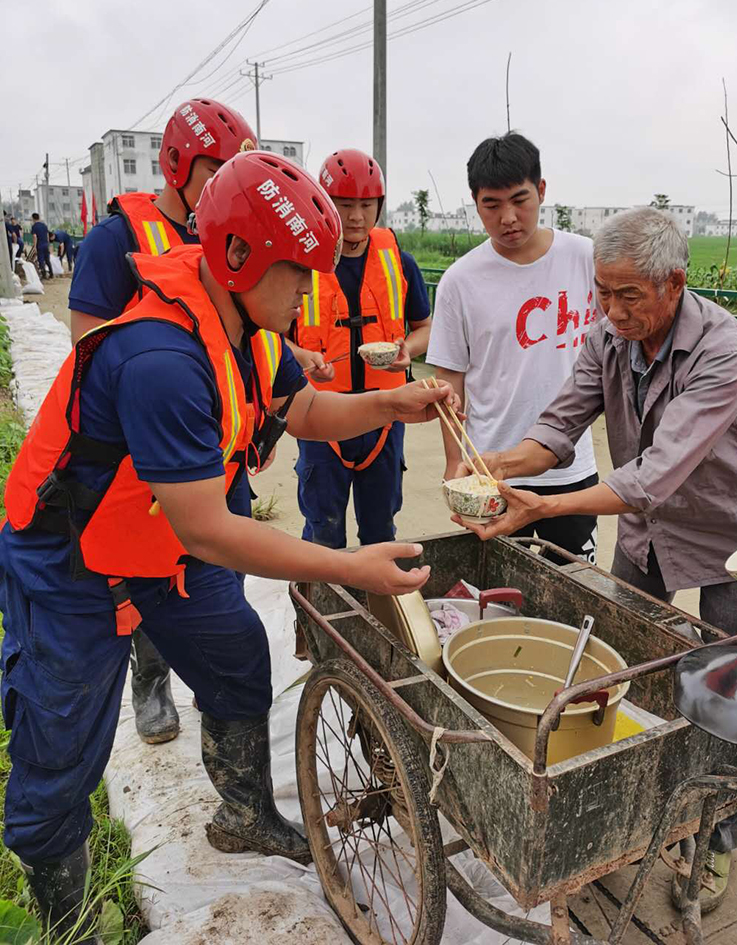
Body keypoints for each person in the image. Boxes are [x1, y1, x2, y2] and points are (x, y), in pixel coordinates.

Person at [0, 151, 455, 941]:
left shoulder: (243, 321)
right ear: (237, 255)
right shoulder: (162, 359)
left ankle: (243, 809)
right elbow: (208, 527)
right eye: (297, 274)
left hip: (156, 538)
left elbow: (304, 409)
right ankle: (59, 906)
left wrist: (394, 401)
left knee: (239, 652)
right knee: (64, 729)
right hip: (71, 559)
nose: (310, 294)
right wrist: (349, 563)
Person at [455, 206, 737, 914]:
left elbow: (656, 471)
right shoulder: (608, 336)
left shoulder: (724, 351)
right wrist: (491, 465)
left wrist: (542, 506)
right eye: (602, 292)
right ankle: (639, 807)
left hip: (730, 528)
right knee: (626, 662)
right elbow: (559, 424)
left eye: (628, 293)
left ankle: (717, 838)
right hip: (646, 525)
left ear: (675, 282)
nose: (610, 309)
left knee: (723, 686)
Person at [69, 98, 259, 746]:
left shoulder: (235, 241)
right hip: (148, 458)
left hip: (222, 450)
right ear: (178, 165)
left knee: (221, 579)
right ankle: (150, 679)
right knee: (155, 578)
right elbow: (89, 352)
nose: (229, 180)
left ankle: (219, 694)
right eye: (217, 168)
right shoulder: (117, 240)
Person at [426, 132, 598, 564]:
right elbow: (450, 380)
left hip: (570, 468)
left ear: (541, 190)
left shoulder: (586, 259)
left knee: (577, 591)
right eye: (492, 205)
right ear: (475, 202)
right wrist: (454, 464)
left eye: (520, 200)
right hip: (491, 473)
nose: (508, 217)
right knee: (501, 597)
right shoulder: (460, 281)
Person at [288, 148, 432, 548]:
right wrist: (302, 357)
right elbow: (271, 336)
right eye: (344, 204)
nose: (355, 217)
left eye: (366, 206)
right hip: (321, 416)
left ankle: (381, 611)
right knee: (322, 533)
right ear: (324, 203)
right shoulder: (299, 262)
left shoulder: (399, 263)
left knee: (381, 533)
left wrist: (409, 348)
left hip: (385, 417)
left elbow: (424, 327)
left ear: (379, 206)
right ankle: (315, 610)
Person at [30, 213, 53, 279]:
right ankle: (51, 273)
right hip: (45, 244)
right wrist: (48, 243)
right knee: (47, 260)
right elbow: (47, 235)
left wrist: (34, 246)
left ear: (33, 218)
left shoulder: (34, 226)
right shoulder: (44, 225)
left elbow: (35, 236)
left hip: (40, 245)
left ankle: (44, 275)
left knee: (41, 260)